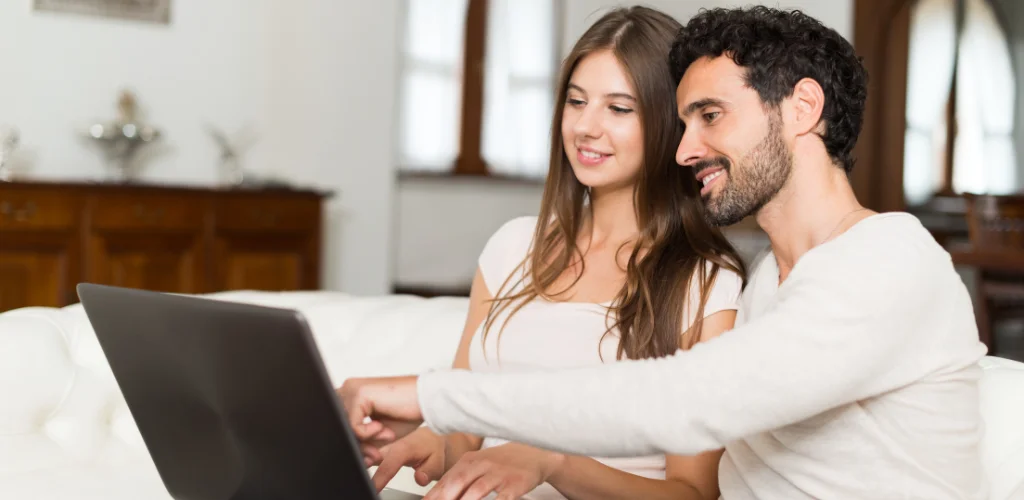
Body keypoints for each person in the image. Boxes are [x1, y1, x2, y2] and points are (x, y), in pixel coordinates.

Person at [341, 6, 989, 500]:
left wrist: (437, 396)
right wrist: (442, 436)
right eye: (683, 123)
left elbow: (684, 400)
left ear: (802, 108)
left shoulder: (889, 259)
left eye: (711, 116)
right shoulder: (770, 283)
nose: (683, 150)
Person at [365, 6, 747, 500]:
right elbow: (466, 433)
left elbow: (692, 492)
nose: (586, 126)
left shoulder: (705, 281)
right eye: (576, 101)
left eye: (618, 108)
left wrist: (553, 462)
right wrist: (431, 443)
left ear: (670, 124)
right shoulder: (513, 247)